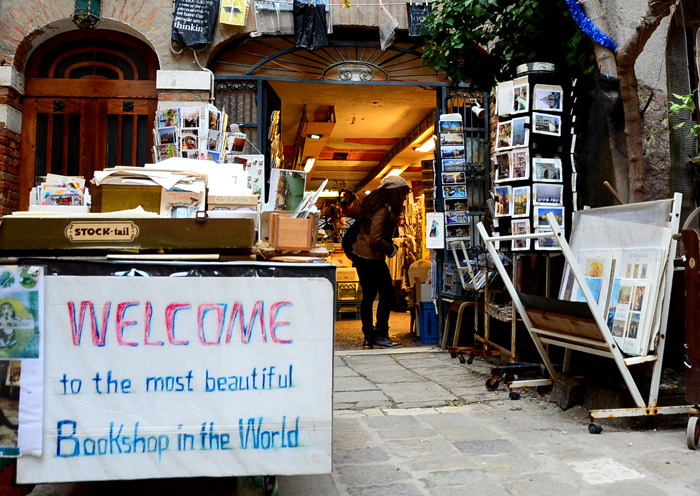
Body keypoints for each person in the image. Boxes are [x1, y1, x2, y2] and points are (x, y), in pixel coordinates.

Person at [351, 175, 411, 349]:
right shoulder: (384, 209)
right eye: (402, 194)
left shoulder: (373, 205)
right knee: (387, 293)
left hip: (362, 256)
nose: (404, 198)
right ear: (395, 193)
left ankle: (369, 337)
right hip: (371, 258)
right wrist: (391, 249)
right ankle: (381, 334)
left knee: (368, 296)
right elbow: (376, 239)